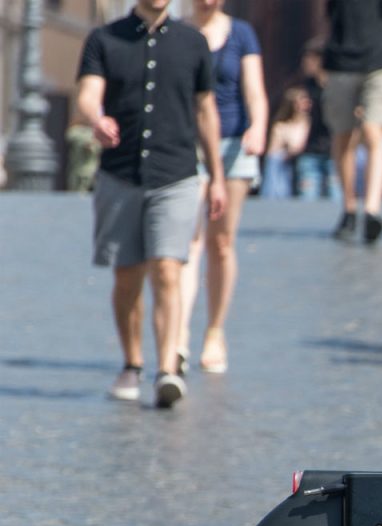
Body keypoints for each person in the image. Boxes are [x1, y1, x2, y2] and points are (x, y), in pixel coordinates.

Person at [76, 0, 227, 408]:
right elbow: (88, 94)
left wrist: (216, 175)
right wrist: (96, 118)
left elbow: (206, 110)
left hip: (176, 174)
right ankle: (132, 364)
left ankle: (167, 370)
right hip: (119, 174)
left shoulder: (192, 42)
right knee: (127, 276)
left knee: (167, 269)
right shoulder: (104, 39)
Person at [178, 0, 268, 376]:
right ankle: (179, 333)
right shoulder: (179, 31)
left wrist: (258, 126)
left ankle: (215, 331)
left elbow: (254, 90)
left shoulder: (240, 34)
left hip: (233, 146)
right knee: (188, 242)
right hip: (187, 144)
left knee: (221, 242)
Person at [324, 0, 382, 244]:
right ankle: (349, 208)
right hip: (341, 61)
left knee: (374, 132)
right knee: (343, 135)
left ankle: (372, 210)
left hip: (378, 61)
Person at [294, 39, 341, 202]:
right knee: (307, 199)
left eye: (309, 58)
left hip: (334, 151)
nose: (305, 63)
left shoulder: (337, 87)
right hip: (310, 150)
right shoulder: (306, 86)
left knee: (335, 198)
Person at [260, 86, 313, 199]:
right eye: (301, 101)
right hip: (280, 165)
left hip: (299, 162)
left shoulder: (309, 123)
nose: (306, 105)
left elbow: (297, 146)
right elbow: (273, 152)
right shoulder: (280, 125)